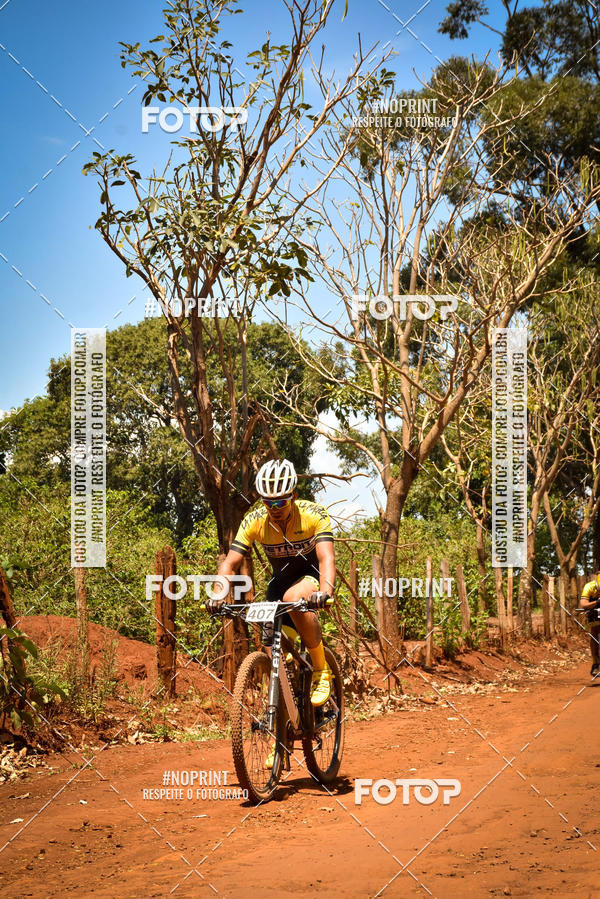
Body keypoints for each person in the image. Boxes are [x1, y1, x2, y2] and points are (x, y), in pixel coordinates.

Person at [212, 458, 336, 711]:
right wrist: (217, 595)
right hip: (278, 585)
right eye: (268, 502)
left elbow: (326, 557)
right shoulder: (254, 520)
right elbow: (230, 563)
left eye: (280, 501)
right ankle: (283, 735)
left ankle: (322, 669)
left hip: (310, 578)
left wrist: (325, 592)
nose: (275, 507)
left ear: (294, 496)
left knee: (293, 599)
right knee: (273, 656)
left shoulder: (313, 514)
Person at [580, 573, 600, 678]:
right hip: (594, 608)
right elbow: (583, 604)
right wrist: (596, 602)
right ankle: (595, 662)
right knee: (594, 632)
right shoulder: (589, 586)